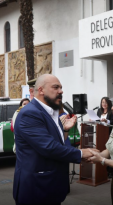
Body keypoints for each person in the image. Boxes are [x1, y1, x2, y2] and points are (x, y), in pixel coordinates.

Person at [13, 74, 94, 205]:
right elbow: (48, 147)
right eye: (56, 87)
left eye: (61, 88)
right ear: (41, 90)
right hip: (36, 190)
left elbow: (55, 142)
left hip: (49, 186)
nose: (61, 91)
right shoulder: (30, 113)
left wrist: (65, 130)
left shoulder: (50, 112)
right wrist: (80, 153)